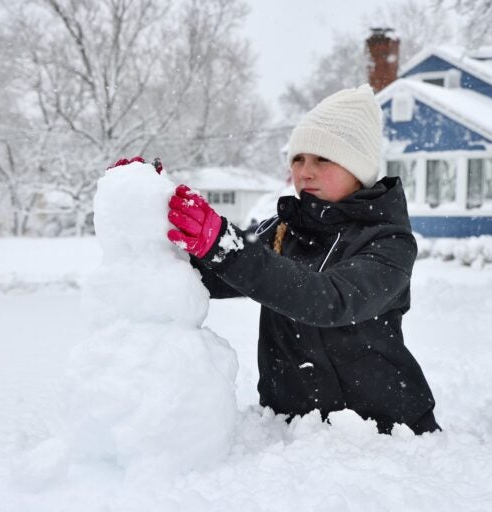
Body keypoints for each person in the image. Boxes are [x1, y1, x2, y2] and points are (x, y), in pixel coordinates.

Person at [162, 84, 438, 434]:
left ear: (359, 168)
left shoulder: (389, 242)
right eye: (298, 158)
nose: (305, 171)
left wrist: (224, 245)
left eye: (323, 158)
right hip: (291, 434)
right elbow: (212, 276)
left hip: (385, 436)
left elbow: (328, 301)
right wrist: (155, 207)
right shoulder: (281, 231)